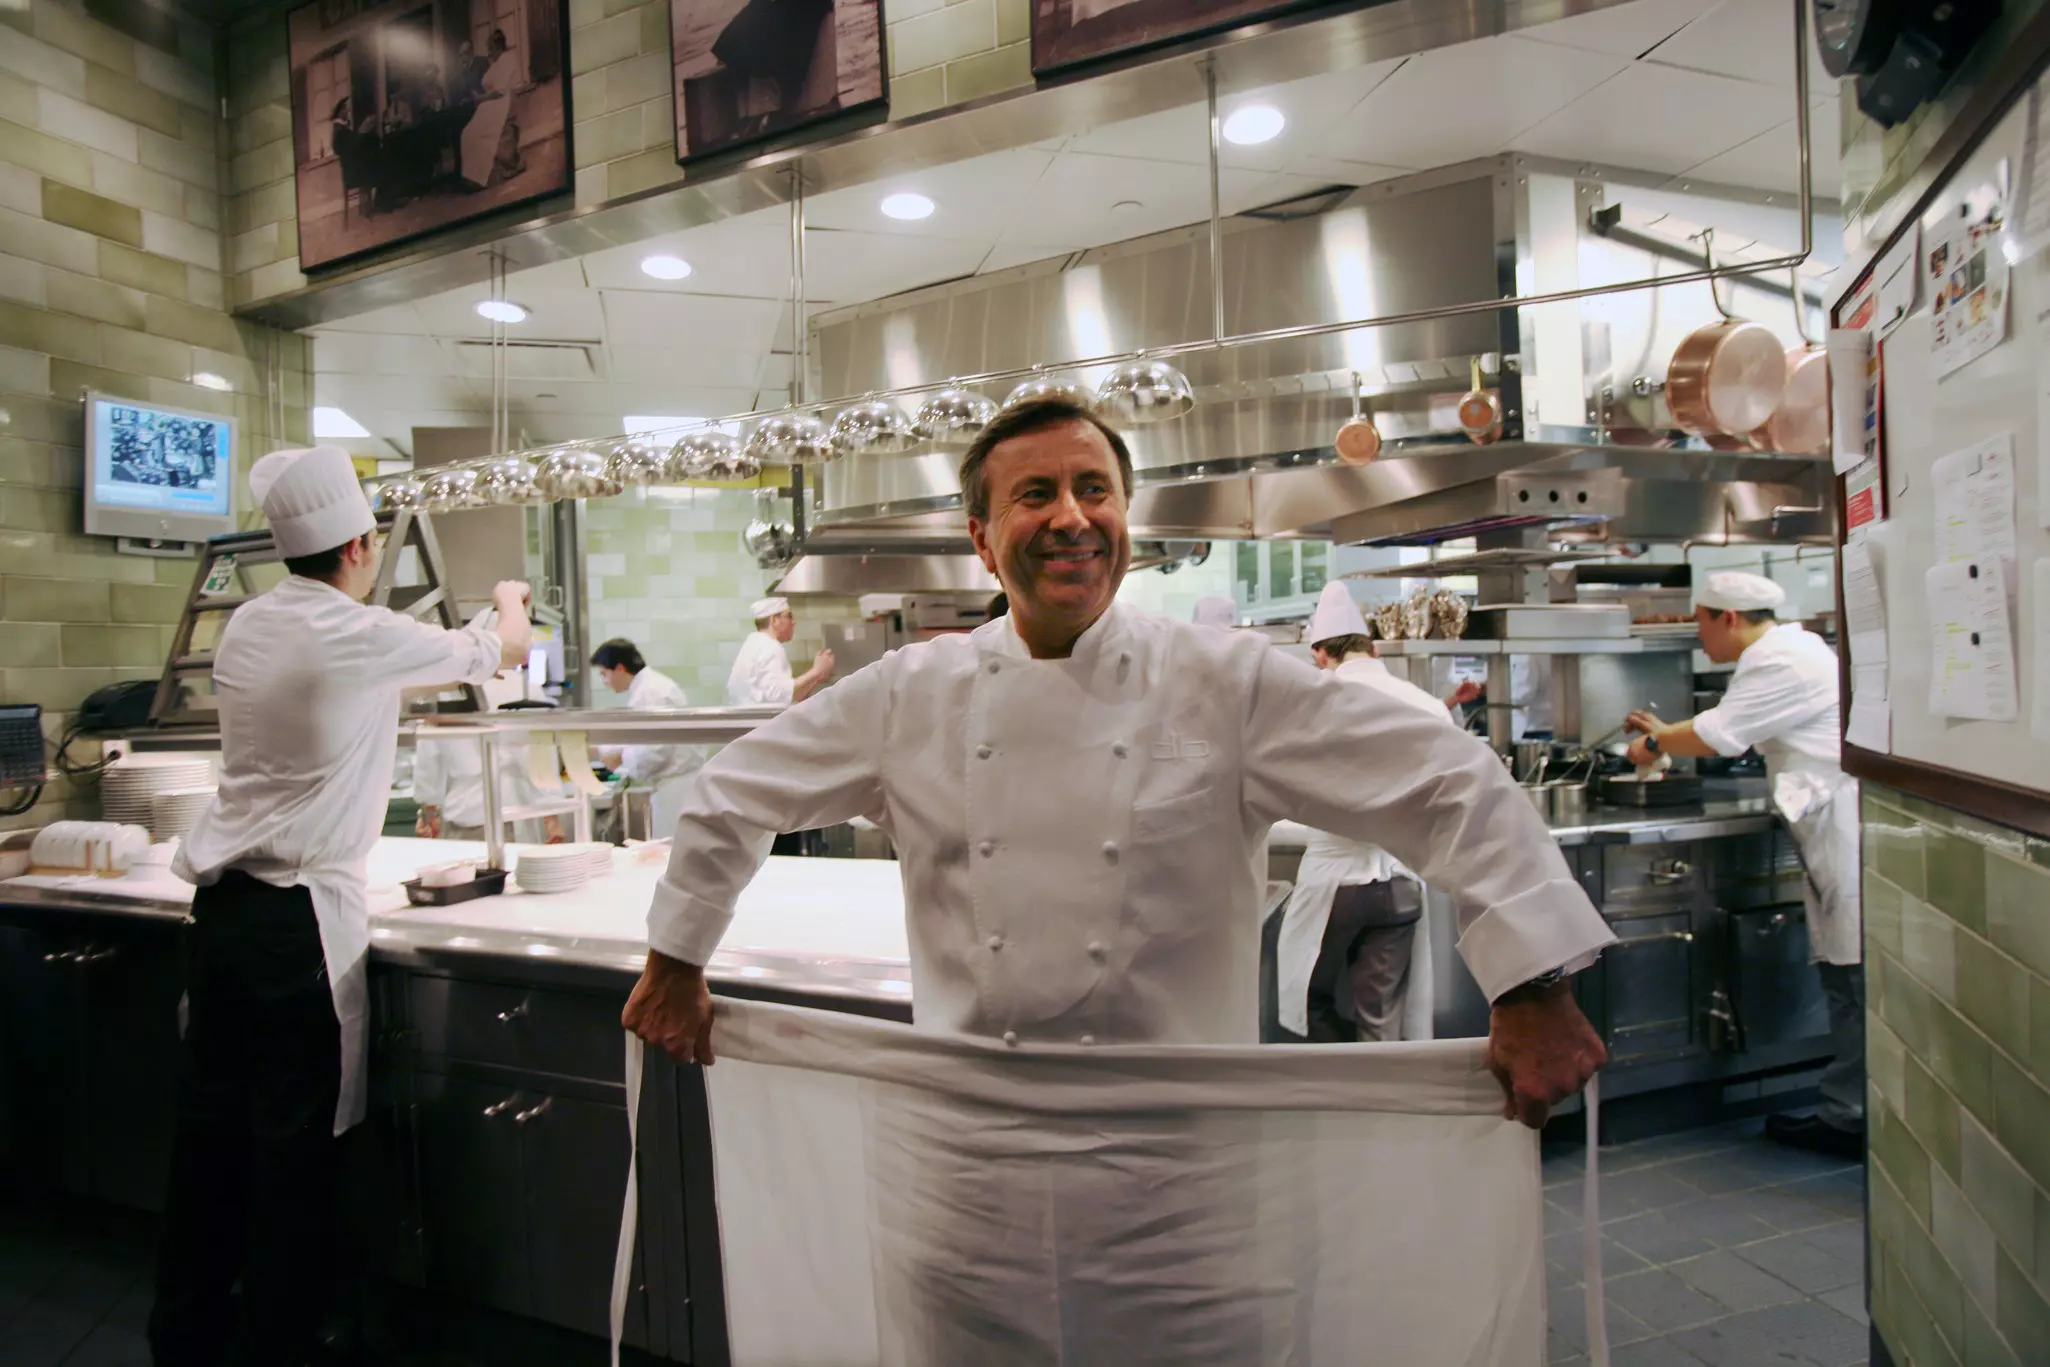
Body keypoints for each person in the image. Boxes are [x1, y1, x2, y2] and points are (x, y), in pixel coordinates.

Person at [626, 396, 1613, 1127]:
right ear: (981, 538)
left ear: (1125, 521)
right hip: (975, 1146)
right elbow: (733, 790)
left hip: (1179, 1157)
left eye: (1093, 489)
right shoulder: (908, 694)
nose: (1071, 515)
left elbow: (1444, 778)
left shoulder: (1224, 681)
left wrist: (1532, 984)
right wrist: (676, 957)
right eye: (1035, 494)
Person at [154, 446, 529, 1367]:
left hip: (221, 916)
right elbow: (504, 650)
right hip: (296, 928)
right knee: (294, 1152)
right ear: (360, 548)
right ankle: (284, 1343)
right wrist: (510, 595)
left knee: (210, 1143)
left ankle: (186, 1336)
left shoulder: (248, 623)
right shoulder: (355, 632)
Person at [1624, 570, 1861, 1159]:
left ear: (1727, 618)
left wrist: (1652, 745)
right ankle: (1854, 1111)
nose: (1698, 635)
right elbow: (1726, 729)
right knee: (1847, 976)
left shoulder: (1779, 660)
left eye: (1700, 622)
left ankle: (1852, 1120)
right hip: (1829, 825)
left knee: (1854, 981)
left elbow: (1720, 737)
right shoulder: (1790, 649)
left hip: (1842, 829)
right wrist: (1671, 734)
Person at [1276, 583, 1458, 1042]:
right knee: (1380, 1015)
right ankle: (1381, 1082)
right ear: (1373, 649)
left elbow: (1288, 789)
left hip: (1334, 885)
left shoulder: (1308, 704)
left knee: (1309, 1000)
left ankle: (1338, 1079)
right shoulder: (1429, 706)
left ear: (1320, 654)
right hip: (1401, 881)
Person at [413, 677, 568, 844]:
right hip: (513, 812)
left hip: (466, 815)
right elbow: (540, 759)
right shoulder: (524, 688)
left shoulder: (444, 687)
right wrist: (551, 817)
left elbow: (428, 757)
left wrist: (428, 813)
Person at [591, 638, 703, 835]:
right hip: (674, 786)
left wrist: (620, 757)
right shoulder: (649, 688)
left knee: (671, 847)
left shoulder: (650, 692)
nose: (605, 682)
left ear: (619, 668)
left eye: (604, 674)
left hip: (676, 790)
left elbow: (656, 750)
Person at [725, 596, 834, 706]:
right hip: (762, 716)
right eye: (789, 616)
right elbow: (777, 695)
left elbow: (790, 696)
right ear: (774, 620)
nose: (794, 622)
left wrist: (816, 678)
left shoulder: (755, 643)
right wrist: (816, 671)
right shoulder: (770, 646)